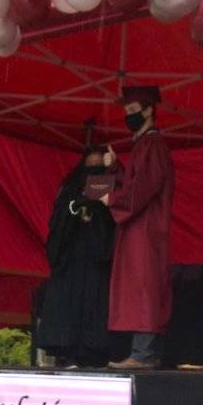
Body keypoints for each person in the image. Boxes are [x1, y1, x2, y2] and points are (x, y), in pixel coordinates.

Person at [101, 85, 175, 370]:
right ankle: (144, 353)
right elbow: (137, 181)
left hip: (145, 229)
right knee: (142, 286)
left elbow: (143, 187)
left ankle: (143, 355)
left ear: (149, 110)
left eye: (133, 111)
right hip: (139, 227)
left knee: (144, 286)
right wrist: (114, 168)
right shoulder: (143, 145)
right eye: (127, 112)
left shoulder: (153, 144)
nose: (128, 116)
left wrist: (112, 199)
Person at [34, 146, 117, 367]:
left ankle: (92, 354)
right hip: (70, 259)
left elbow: (116, 219)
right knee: (67, 306)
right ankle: (66, 353)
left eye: (99, 167)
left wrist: (100, 205)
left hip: (96, 260)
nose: (94, 172)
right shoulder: (69, 189)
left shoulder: (111, 188)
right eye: (90, 167)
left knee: (94, 306)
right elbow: (57, 221)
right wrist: (74, 207)